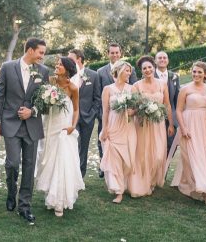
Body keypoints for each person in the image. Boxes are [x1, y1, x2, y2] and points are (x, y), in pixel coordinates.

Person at [0, 38, 49, 225]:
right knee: (13, 163)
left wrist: (32, 111)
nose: (42, 56)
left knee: (30, 166)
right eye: (40, 52)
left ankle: (25, 206)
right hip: (10, 124)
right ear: (30, 50)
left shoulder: (43, 71)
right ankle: (11, 192)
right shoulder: (7, 68)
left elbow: (45, 102)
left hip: (32, 125)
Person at [36, 57, 84, 217]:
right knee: (48, 158)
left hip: (64, 127)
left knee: (62, 160)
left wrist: (73, 126)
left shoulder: (73, 87)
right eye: (57, 64)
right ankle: (51, 193)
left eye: (60, 65)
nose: (57, 66)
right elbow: (40, 103)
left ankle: (60, 201)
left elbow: (76, 110)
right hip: (48, 124)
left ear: (68, 69)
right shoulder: (48, 82)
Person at [171, 61, 206, 206]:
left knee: (202, 156)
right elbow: (179, 110)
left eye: (199, 72)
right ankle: (204, 190)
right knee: (192, 156)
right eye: (194, 71)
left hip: (204, 125)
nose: (196, 74)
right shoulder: (185, 89)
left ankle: (193, 184)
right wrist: (183, 128)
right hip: (189, 124)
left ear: (205, 74)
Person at [128, 55, 174, 197]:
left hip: (159, 123)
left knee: (159, 155)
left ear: (154, 67)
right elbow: (133, 108)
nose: (147, 70)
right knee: (144, 154)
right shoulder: (136, 86)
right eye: (144, 68)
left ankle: (153, 179)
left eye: (149, 67)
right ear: (141, 71)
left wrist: (171, 124)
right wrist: (142, 110)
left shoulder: (162, 84)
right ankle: (145, 182)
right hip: (143, 124)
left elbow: (167, 105)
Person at [96, 43, 137, 178]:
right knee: (106, 142)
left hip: (126, 122)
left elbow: (135, 95)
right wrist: (102, 118)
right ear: (108, 54)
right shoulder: (101, 71)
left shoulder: (130, 70)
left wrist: (132, 111)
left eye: (117, 52)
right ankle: (107, 169)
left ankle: (123, 175)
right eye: (112, 53)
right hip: (109, 116)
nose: (114, 55)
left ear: (120, 53)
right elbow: (98, 96)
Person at [99, 61, 137, 204]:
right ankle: (118, 191)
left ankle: (125, 184)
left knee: (126, 158)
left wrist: (131, 111)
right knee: (113, 158)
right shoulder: (108, 89)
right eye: (127, 70)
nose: (129, 73)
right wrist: (105, 128)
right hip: (113, 126)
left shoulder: (132, 89)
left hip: (128, 127)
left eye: (130, 71)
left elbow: (136, 109)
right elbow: (105, 112)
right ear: (119, 71)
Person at [68, 49, 99, 178]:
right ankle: (70, 173)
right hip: (70, 117)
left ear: (79, 59)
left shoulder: (93, 75)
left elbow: (97, 98)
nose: (68, 61)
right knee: (70, 146)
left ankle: (80, 175)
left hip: (87, 117)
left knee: (83, 147)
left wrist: (92, 114)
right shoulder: (67, 75)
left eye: (70, 58)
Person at [154, 51, 180, 156]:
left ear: (168, 60)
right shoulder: (149, 75)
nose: (162, 60)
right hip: (155, 118)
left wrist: (176, 118)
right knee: (156, 147)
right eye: (159, 58)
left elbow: (177, 99)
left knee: (171, 146)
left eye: (165, 58)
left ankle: (165, 169)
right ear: (155, 61)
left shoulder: (174, 77)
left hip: (172, 119)